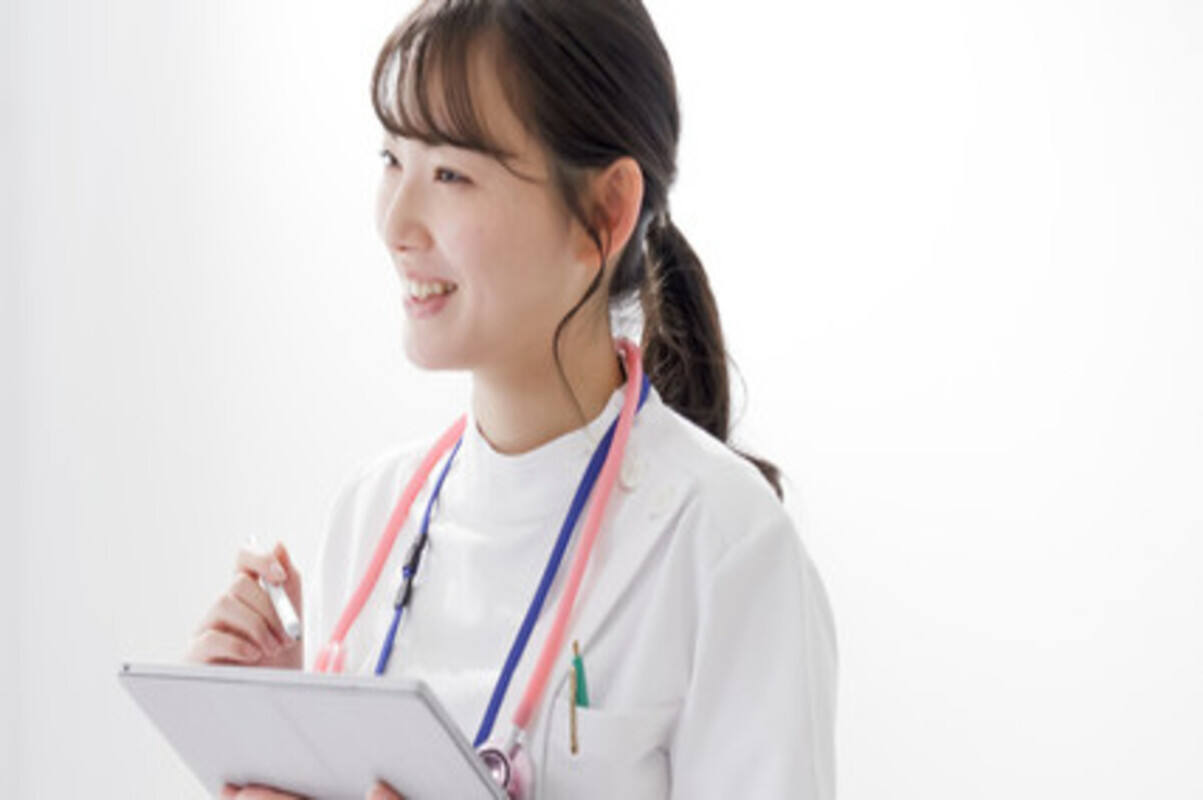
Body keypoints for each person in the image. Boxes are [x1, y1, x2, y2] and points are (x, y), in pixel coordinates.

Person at [184, 0, 837, 798]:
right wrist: (278, 739)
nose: (395, 223)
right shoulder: (367, 516)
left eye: (450, 175)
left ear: (604, 212)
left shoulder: (725, 548)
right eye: (391, 159)